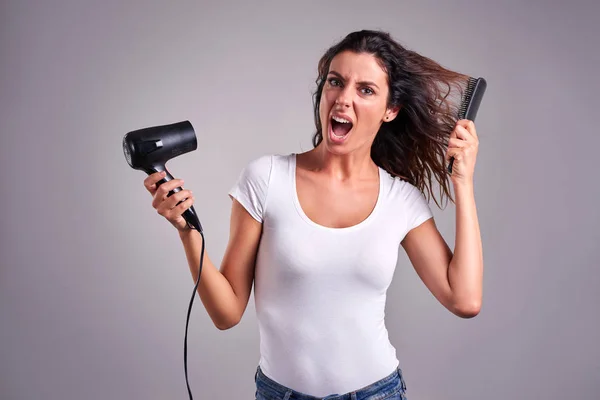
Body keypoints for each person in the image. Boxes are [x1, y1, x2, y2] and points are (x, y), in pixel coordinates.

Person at [143, 30, 484, 400]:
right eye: (336, 82)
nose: (343, 99)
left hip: (377, 393)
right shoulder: (267, 178)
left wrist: (462, 182)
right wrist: (186, 232)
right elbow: (227, 314)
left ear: (391, 110)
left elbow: (464, 300)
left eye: (366, 90)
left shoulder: (400, 200)